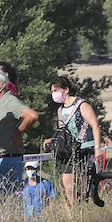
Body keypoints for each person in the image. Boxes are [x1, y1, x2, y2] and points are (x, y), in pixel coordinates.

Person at [47, 75, 105, 207]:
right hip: (68, 152)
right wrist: (52, 140)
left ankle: (85, 211)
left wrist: (97, 148)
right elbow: (64, 133)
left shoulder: (82, 105)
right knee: (67, 188)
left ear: (66, 90)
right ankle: (74, 212)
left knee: (85, 188)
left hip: (85, 149)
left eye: (55, 90)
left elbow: (95, 126)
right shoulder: (60, 110)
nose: (54, 94)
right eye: (52, 92)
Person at [0, 64, 39, 194]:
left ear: (2, 85)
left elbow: (32, 115)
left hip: (6, 160)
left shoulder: (9, 101)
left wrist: (18, 132)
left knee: (2, 203)